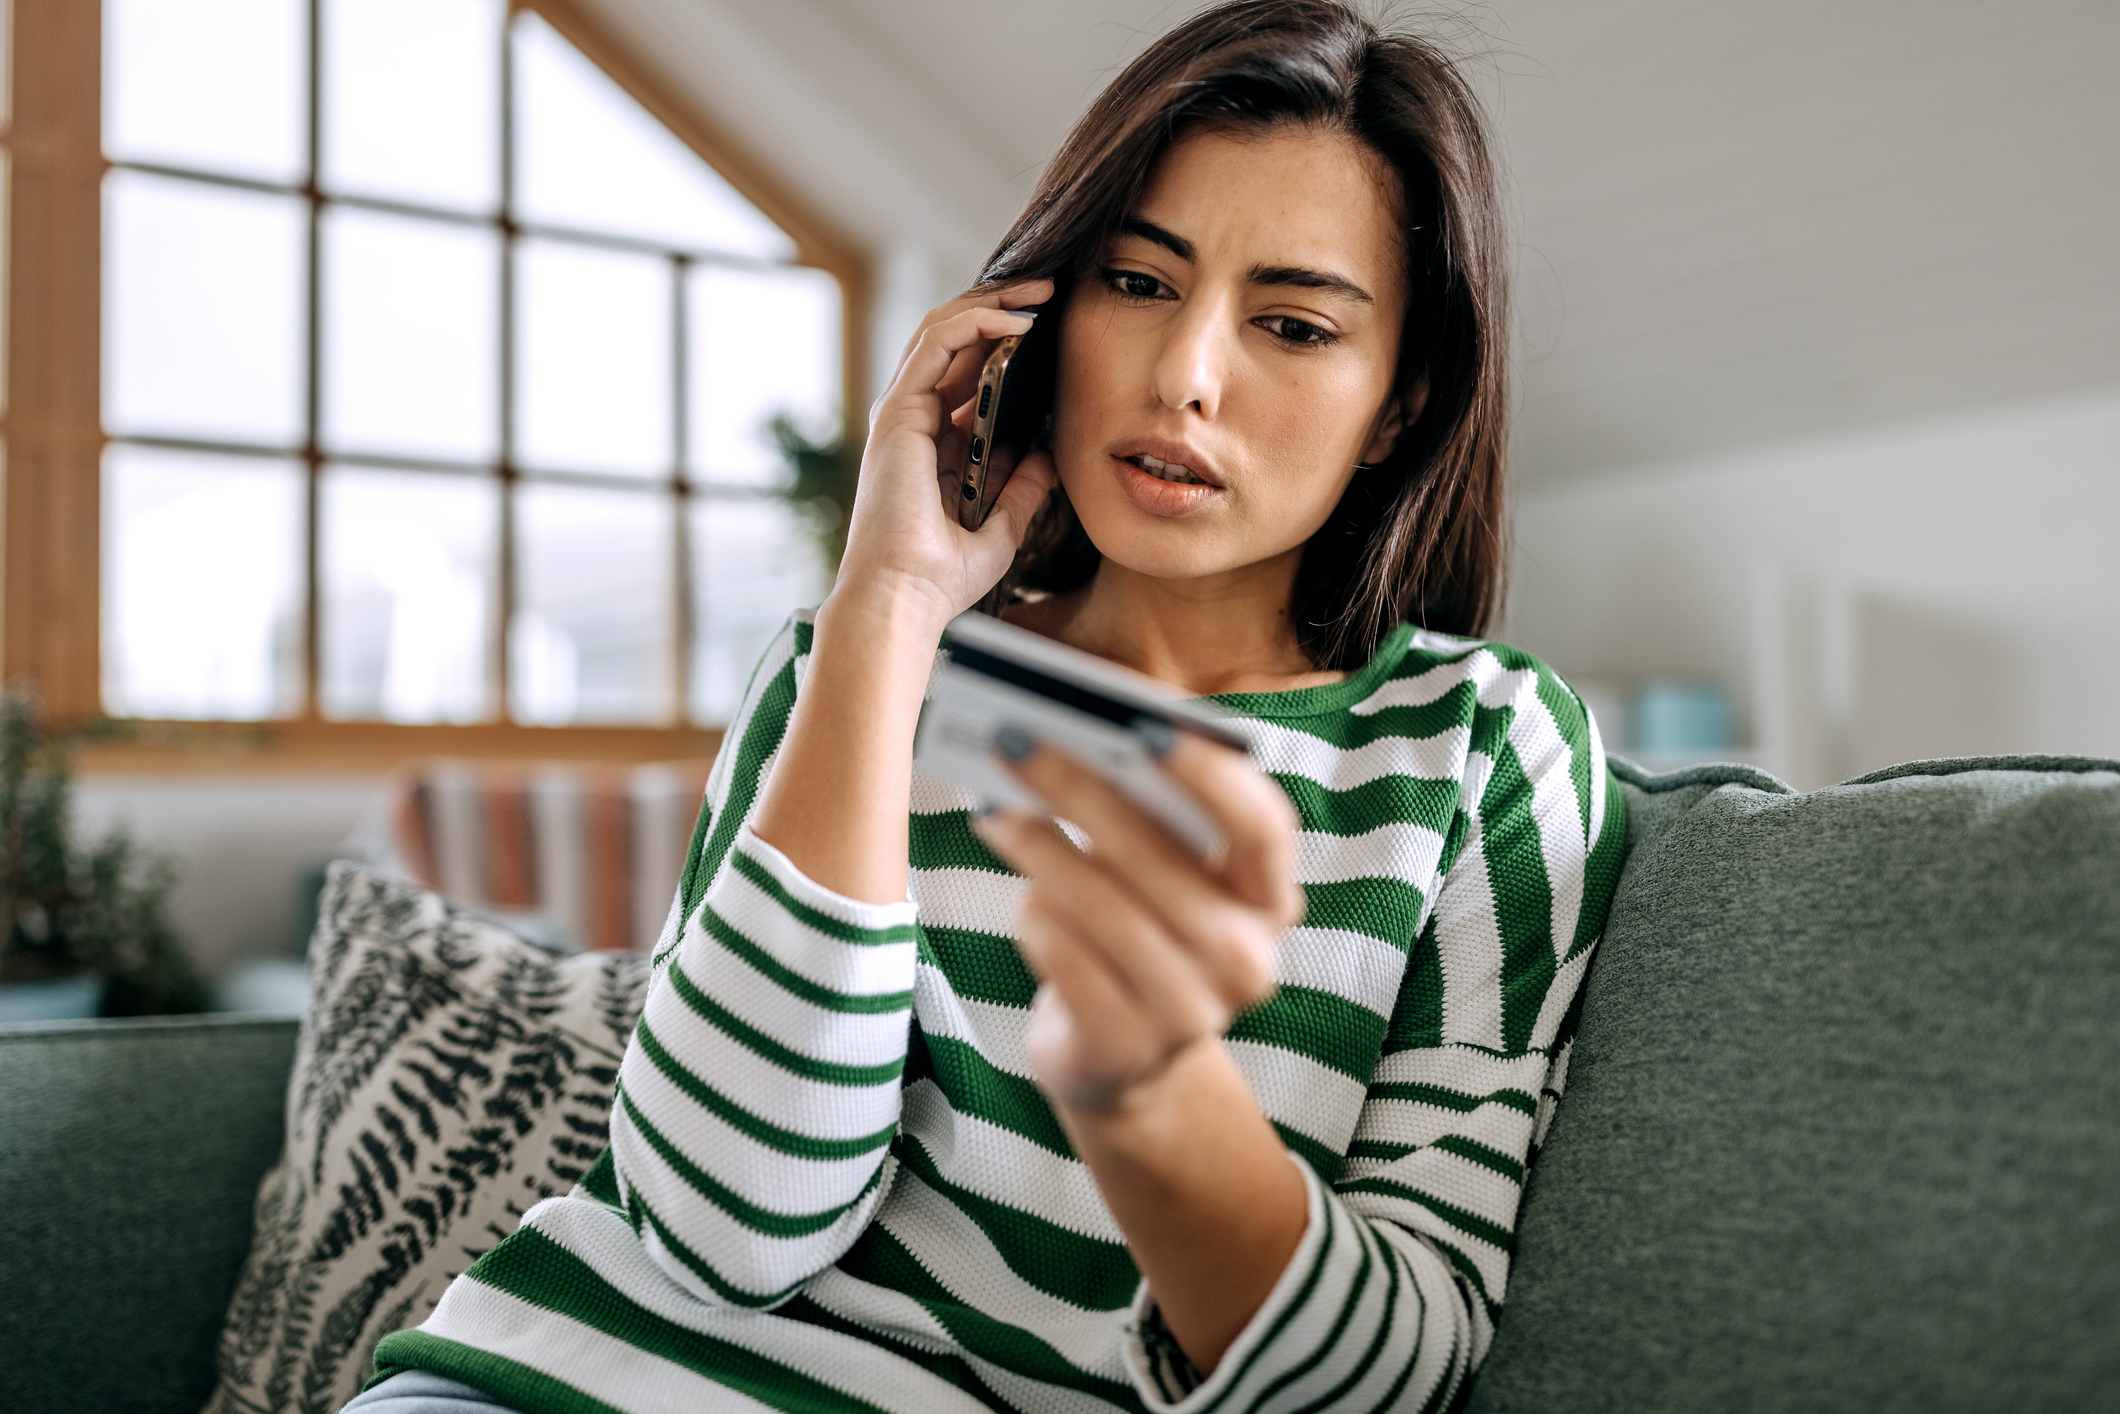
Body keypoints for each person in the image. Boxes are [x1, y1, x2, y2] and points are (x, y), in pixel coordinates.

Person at [350, 2, 1625, 1409]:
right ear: (1045, 307)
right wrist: (889, 600)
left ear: (1400, 405)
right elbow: (718, 1228)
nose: (1186, 375)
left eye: (1293, 323)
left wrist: (1151, 1102)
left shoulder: (1480, 754)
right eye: (1140, 284)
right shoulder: (852, 666)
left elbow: (1388, 1374)